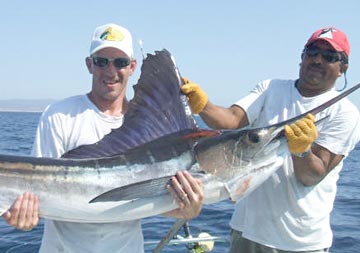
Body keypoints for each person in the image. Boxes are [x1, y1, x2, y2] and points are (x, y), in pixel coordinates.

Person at [2, 23, 203, 253]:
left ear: (132, 67)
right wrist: (23, 219)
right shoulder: (58, 115)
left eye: (120, 62)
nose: (110, 71)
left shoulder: (150, 126)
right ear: (89, 65)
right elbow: (36, 194)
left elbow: (144, 201)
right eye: (101, 61)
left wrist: (187, 210)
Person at [181, 27, 360, 252]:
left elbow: (311, 176)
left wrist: (302, 151)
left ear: (343, 68)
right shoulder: (271, 88)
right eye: (312, 52)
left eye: (330, 56)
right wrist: (203, 105)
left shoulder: (345, 113)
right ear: (302, 57)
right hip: (246, 232)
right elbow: (232, 120)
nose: (317, 60)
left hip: (299, 243)